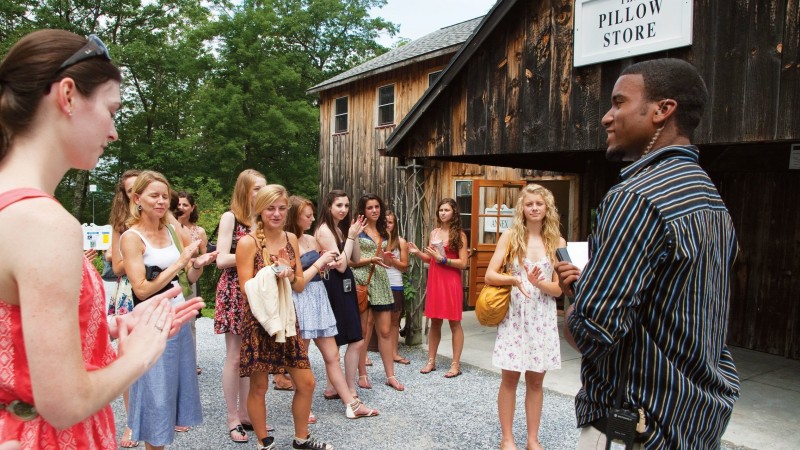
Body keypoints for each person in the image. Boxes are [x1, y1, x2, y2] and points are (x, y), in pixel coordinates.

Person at [0, 29, 201, 448]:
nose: (113, 132)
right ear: (68, 96)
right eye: (111, 111)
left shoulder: (11, 205)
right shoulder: (44, 223)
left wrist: (106, 327)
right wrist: (140, 353)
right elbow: (65, 403)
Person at [555, 58, 740, 449]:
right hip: (694, 425)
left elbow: (594, 331)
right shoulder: (711, 199)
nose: (607, 117)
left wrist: (577, 301)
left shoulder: (635, 197)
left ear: (662, 110)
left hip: (636, 427)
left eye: (619, 102)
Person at [121, 170, 218, 449]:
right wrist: (179, 263)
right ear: (137, 199)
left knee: (172, 392)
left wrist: (198, 264)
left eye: (165, 196)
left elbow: (188, 277)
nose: (161, 201)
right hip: (151, 321)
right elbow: (141, 289)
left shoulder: (172, 230)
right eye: (154, 196)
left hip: (178, 317)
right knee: (156, 393)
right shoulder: (131, 237)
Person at [237, 185, 333, 450]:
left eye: (281, 208)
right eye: (270, 208)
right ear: (260, 210)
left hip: (288, 320)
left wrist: (289, 274)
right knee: (259, 387)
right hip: (259, 322)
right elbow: (245, 289)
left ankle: (301, 439)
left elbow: (299, 284)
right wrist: (271, 272)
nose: (277, 214)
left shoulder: (291, 238)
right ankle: (264, 442)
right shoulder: (248, 243)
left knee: (307, 382)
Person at [485, 184, 565, 450]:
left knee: (536, 380)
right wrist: (515, 280)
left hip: (542, 317)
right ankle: (507, 438)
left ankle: (532, 439)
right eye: (529, 204)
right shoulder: (510, 236)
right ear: (522, 208)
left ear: (547, 207)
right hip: (515, 315)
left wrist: (538, 283)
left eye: (539, 204)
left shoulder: (558, 242)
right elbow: (490, 275)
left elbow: (559, 289)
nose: (534, 208)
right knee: (509, 378)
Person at [286, 195, 379, 419]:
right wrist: (321, 262)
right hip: (301, 299)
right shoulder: (287, 242)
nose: (312, 219)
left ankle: (351, 405)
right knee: (301, 355)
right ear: (295, 217)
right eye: (308, 216)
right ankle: (303, 406)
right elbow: (296, 281)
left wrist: (328, 263)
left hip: (319, 296)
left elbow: (338, 264)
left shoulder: (311, 239)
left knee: (333, 355)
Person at [214, 168, 265, 443]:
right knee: (234, 356)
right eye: (257, 188)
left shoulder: (263, 218)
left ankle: (246, 413)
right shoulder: (230, 218)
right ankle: (232, 417)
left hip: (257, 289)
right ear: (244, 189)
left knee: (250, 356)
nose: (261, 193)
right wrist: (251, 251)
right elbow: (221, 259)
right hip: (234, 290)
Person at [314, 190, 367, 399]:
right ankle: (346, 388)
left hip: (344, 283)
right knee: (350, 338)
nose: (343, 209)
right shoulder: (324, 230)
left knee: (352, 338)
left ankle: (335, 387)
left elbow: (356, 258)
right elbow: (341, 265)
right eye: (339, 205)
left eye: (346, 205)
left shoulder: (339, 228)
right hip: (332, 285)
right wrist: (351, 237)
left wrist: (355, 235)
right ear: (329, 206)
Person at [408, 198, 468, 378]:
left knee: (454, 322)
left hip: (451, 281)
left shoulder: (460, 235)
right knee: (435, 321)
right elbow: (431, 258)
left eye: (446, 210)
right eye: (441, 210)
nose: (443, 213)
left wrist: (444, 260)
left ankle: (455, 364)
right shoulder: (434, 232)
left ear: (454, 212)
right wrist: (418, 253)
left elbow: (463, 263)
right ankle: (431, 361)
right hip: (435, 279)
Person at [352, 194, 404, 391]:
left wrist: (388, 258)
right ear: (363, 210)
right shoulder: (357, 230)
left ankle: (390, 376)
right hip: (362, 281)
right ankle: (362, 374)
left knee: (385, 331)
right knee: (363, 331)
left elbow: (387, 261)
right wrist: (371, 260)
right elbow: (349, 261)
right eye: (369, 207)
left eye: (377, 207)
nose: (374, 210)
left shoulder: (384, 231)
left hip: (381, 280)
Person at [175, 191, 207, 374]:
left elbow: (204, 255)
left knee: (189, 322)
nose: (181, 208)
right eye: (178, 204)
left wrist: (195, 261)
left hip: (190, 277)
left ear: (192, 208)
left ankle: (190, 362)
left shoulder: (198, 231)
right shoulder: (167, 228)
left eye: (185, 205)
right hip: (171, 276)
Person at [384, 210, 410, 365]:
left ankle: (394, 353)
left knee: (394, 321)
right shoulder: (376, 239)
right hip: (379, 282)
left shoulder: (401, 241)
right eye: (385, 222)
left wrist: (391, 259)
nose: (387, 225)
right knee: (370, 320)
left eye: (390, 222)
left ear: (395, 224)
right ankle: (364, 355)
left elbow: (404, 266)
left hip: (395, 283)